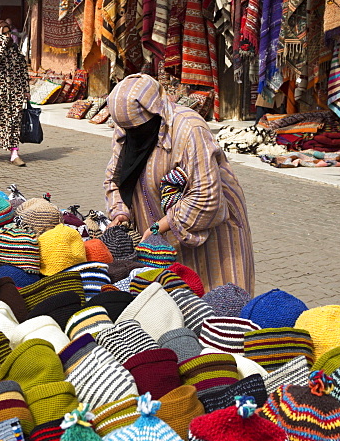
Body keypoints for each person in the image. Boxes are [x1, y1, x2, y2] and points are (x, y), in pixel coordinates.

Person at [103, 73, 255, 294]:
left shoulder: (189, 129)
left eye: (139, 129)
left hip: (212, 231)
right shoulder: (127, 128)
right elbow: (115, 175)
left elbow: (207, 196)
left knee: (218, 300)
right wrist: (120, 212)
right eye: (129, 130)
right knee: (175, 299)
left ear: (156, 112)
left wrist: (160, 226)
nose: (134, 135)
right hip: (161, 237)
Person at [0, 20, 31, 167]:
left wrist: (26, 89)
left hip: (15, 91)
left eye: (8, 32)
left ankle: (14, 153)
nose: (7, 35)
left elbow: (22, 68)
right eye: (3, 33)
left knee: (14, 122)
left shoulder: (14, 48)